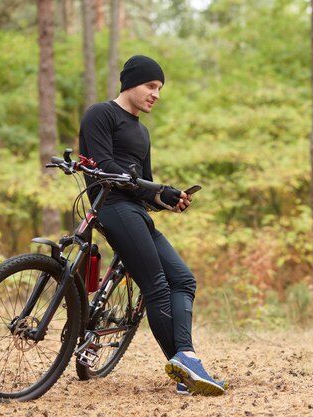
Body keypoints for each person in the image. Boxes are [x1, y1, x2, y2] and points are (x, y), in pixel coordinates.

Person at [78, 55, 226, 396]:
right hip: (111, 206)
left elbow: (143, 185)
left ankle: (186, 358)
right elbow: (103, 166)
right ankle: (185, 369)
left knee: (184, 280)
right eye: (150, 86)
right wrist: (155, 189)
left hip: (136, 212)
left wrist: (167, 199)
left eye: (159, 88)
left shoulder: (142, 132)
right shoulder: (101, 114)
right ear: (130, 83)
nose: (156, 94)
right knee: (157, 285)